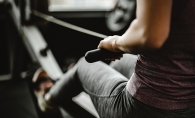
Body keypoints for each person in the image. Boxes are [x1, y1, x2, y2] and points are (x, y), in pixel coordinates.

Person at [33, 0, 195, 118]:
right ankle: (71, 80)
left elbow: (149, 36)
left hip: (144, 110)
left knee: (84, 65)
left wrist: (115, 43)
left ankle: (48, 98)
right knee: (115, 62)